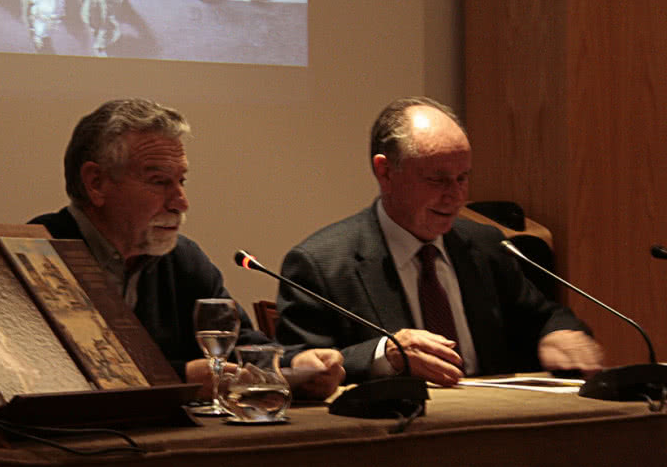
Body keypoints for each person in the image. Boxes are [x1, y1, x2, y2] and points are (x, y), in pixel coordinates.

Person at [275, 96, 604, 386]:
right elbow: (299, 368)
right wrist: (382, 356)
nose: (456, 196)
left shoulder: (486, 245)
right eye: (438, 180)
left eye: (463, 178)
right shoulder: (321, 263)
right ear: (385, 172)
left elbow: (543, 315)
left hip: (494, 428)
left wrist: (557, 333)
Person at [31, 98, 345, 399]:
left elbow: (238, 345)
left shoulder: (183, 258)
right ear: (96, 183)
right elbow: (40, 375)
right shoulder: (36, 254)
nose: (181, 201)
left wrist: (297, 366)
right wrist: (179, 379)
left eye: (181, 181)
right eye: (159, 182)